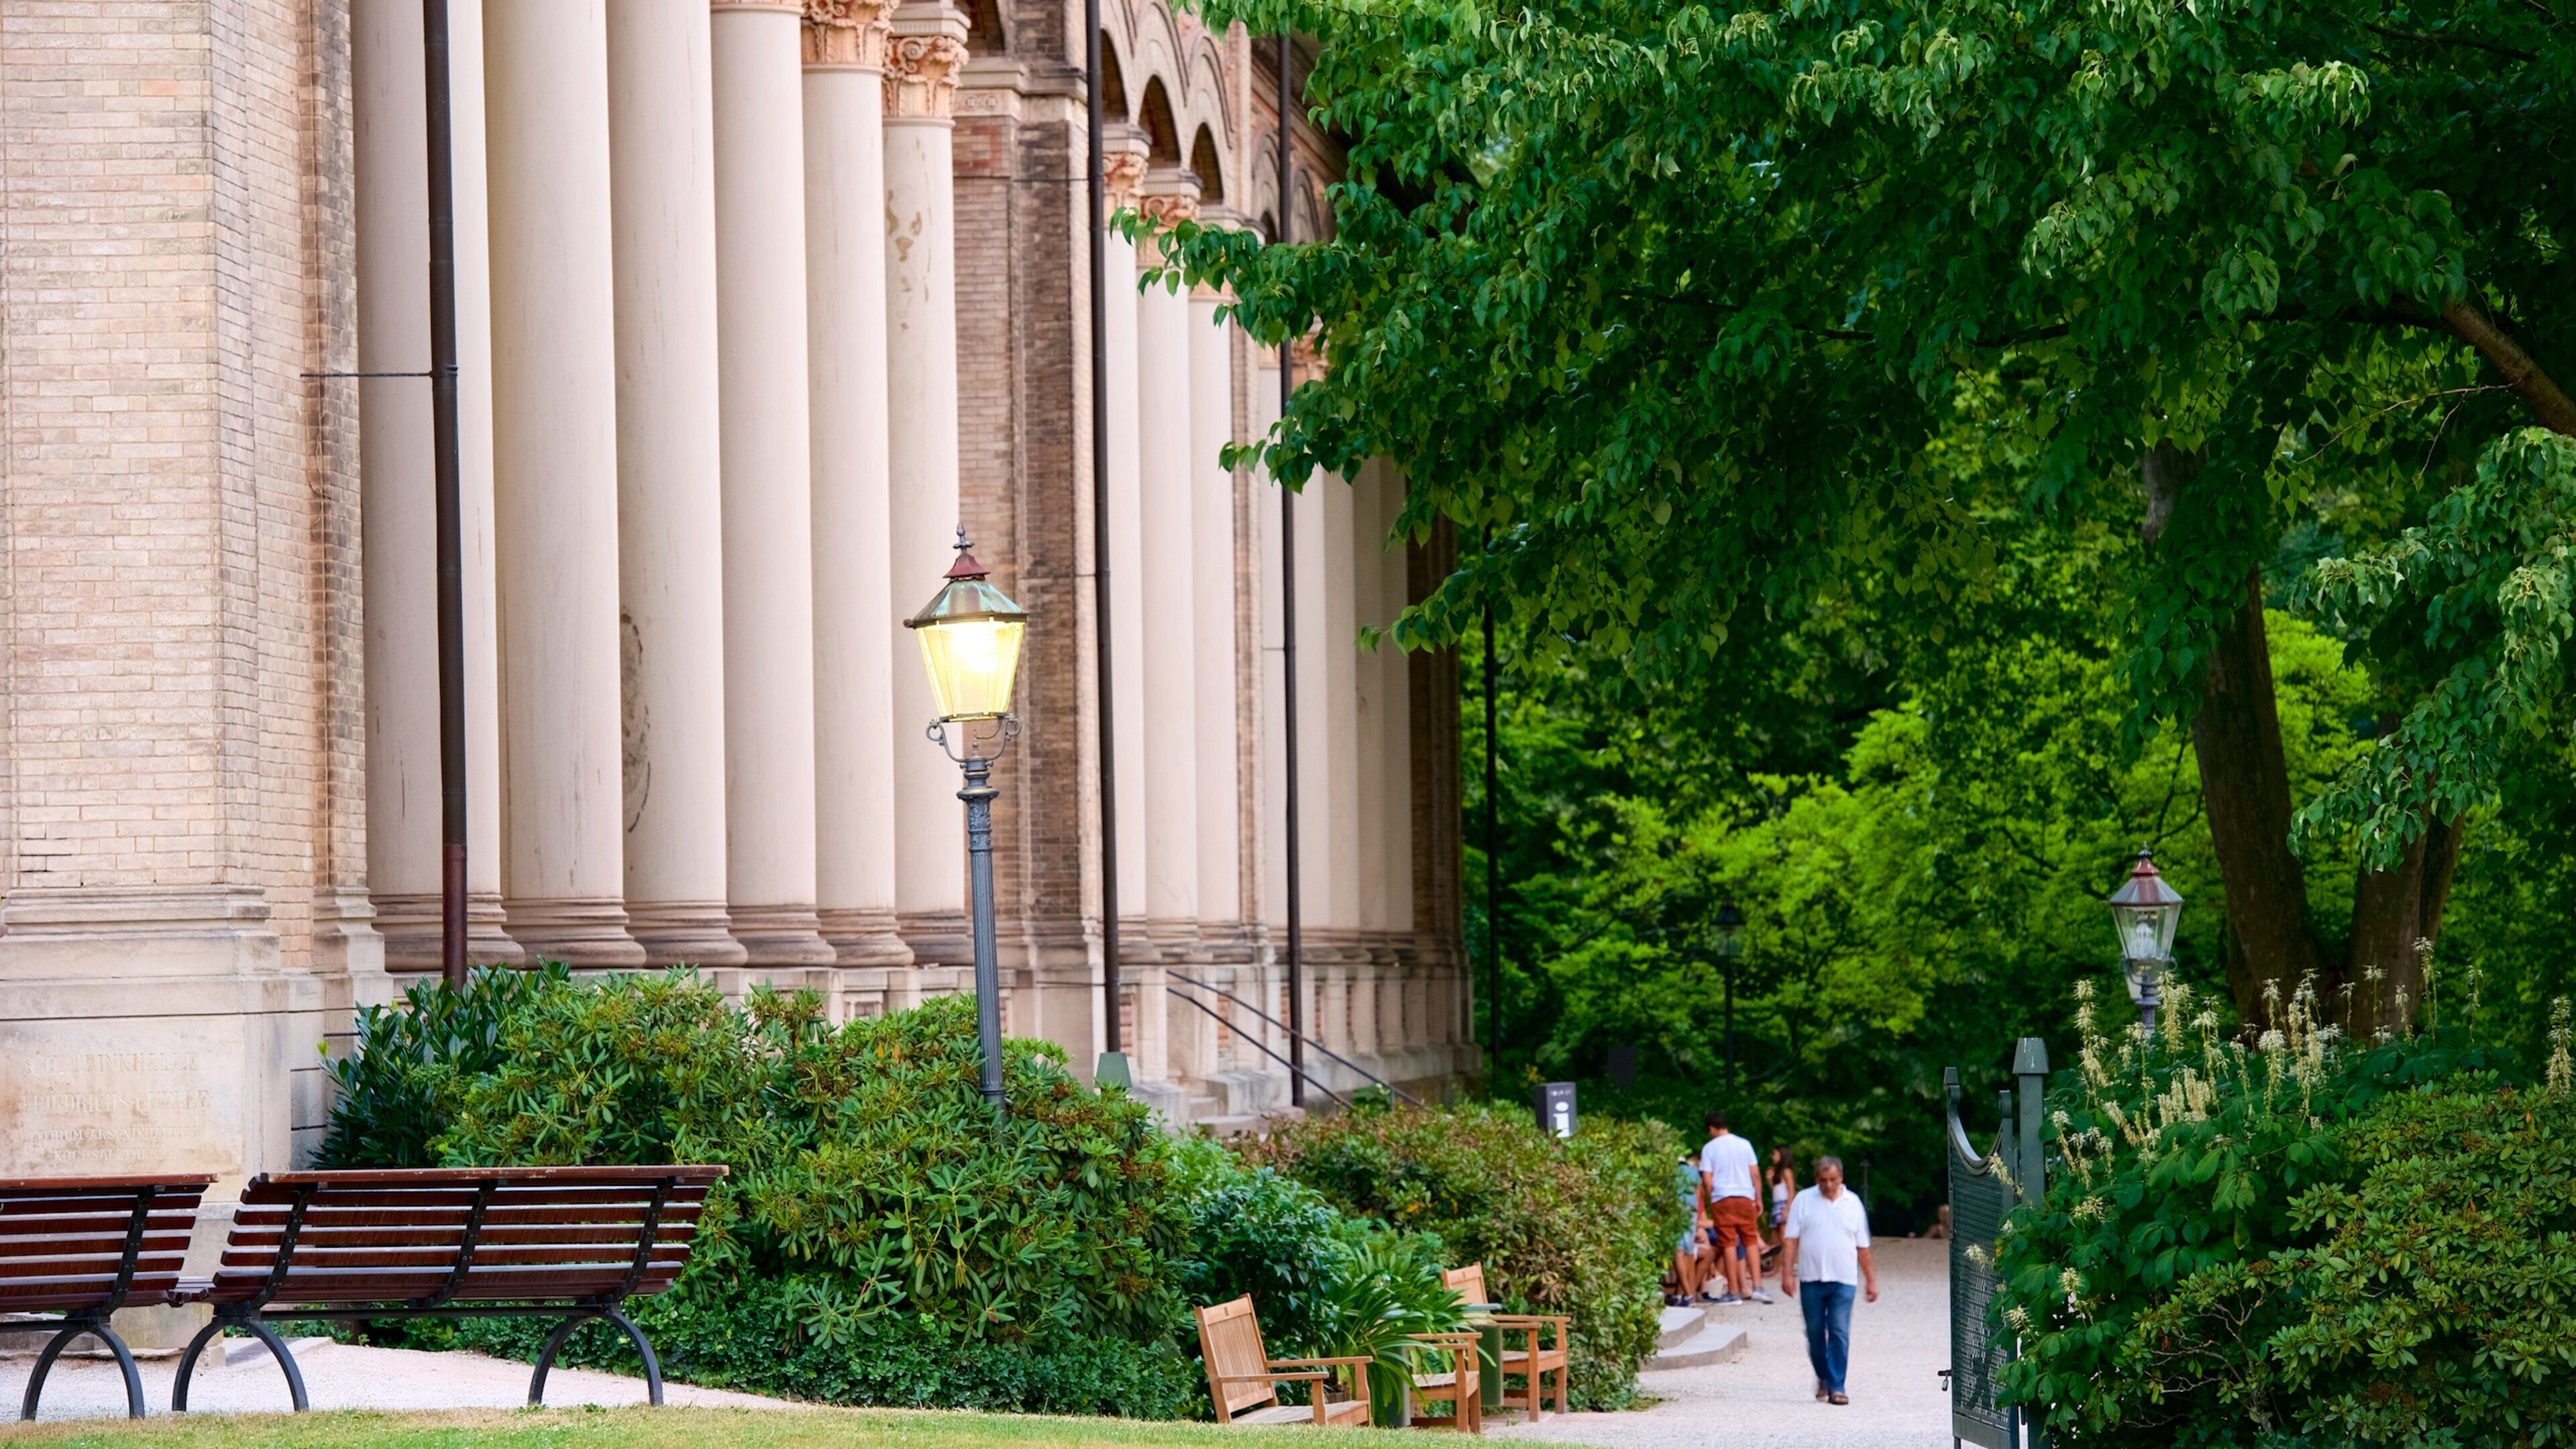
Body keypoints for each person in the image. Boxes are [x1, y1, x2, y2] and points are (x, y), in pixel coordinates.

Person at [1780, 1155, 1876, 1406]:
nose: (1829, 1185)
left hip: (1844, 1280)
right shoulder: (1804, 1200)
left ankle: (1837, 1386)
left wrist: (1871, 1280)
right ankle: (1823, 1376)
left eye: (1833, 1179)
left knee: (1839, 1330)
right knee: (1814, 1332)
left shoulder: (1852, 1202)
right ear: (1816, 1179)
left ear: (1841, 1178)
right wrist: (1787, 1273)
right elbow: (1790, 1239)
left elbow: (1862, 1246)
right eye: (1823, 1180)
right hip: (1811, 1278)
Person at [1697, 1112, 1769, 1305]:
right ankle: (1758, 1287)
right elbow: (1755, 1174)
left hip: (1723, 1198)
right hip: (1746, 1197)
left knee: (1728, 1242)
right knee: (1751, 1240)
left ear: (1712, 1128)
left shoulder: (1709, 1149)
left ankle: (1734, 1292)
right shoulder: (1744, 1144)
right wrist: (1758, 1197)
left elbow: (1707, 1178)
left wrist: (1713, 1198)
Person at [1669, 1149, 1711, 1305]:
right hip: (1691, 1211)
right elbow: (1697, 1194)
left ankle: (1686, 1293)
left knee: (1678, 1252)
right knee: (1688, 1251)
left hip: (1676, 1211)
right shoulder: (1693, 1172)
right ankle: (1686, 1294)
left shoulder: (1670, 1173)